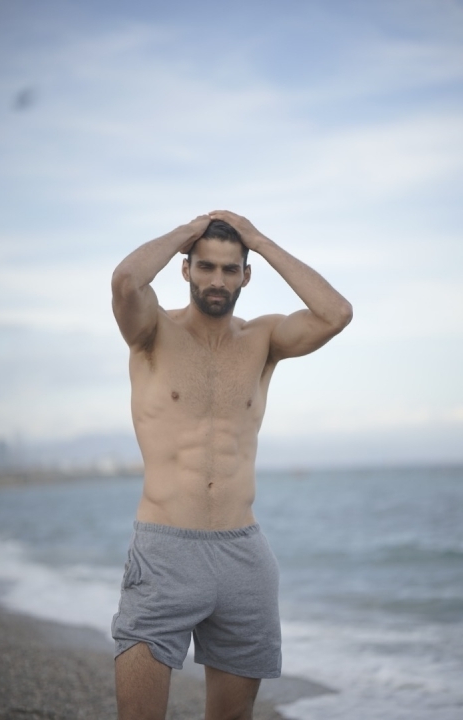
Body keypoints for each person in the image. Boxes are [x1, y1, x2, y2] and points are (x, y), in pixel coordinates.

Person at [110, 210, 352, 720]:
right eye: (205, 266)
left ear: (245, 275)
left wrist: (259, 240)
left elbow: (336, 313)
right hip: (165, 550)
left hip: (244, 555)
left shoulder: (263, 339)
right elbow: (126, 280)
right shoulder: (151, 330)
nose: (217, 280)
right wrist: (187, 231)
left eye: (229, 268)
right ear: (186, 269)